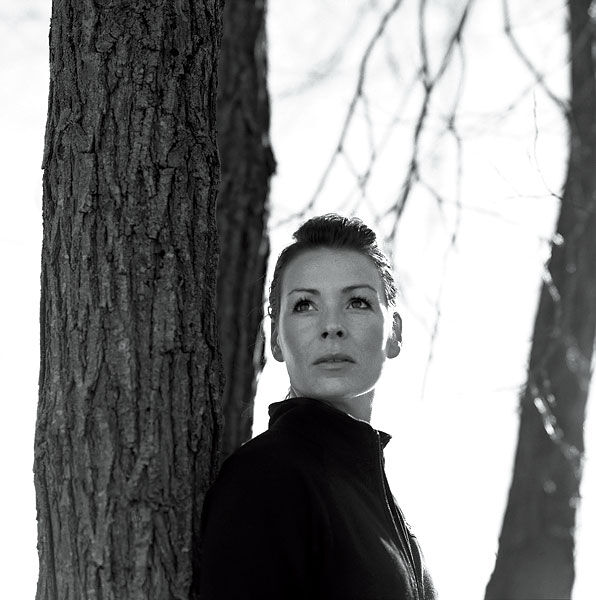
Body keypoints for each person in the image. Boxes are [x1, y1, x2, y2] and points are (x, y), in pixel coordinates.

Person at [199, 214, 436, 599]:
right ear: (276, 340)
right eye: (305, 305)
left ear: (394, 332)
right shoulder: (266, 479)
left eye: (357, 302)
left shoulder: (378, 504)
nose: (331, 326)